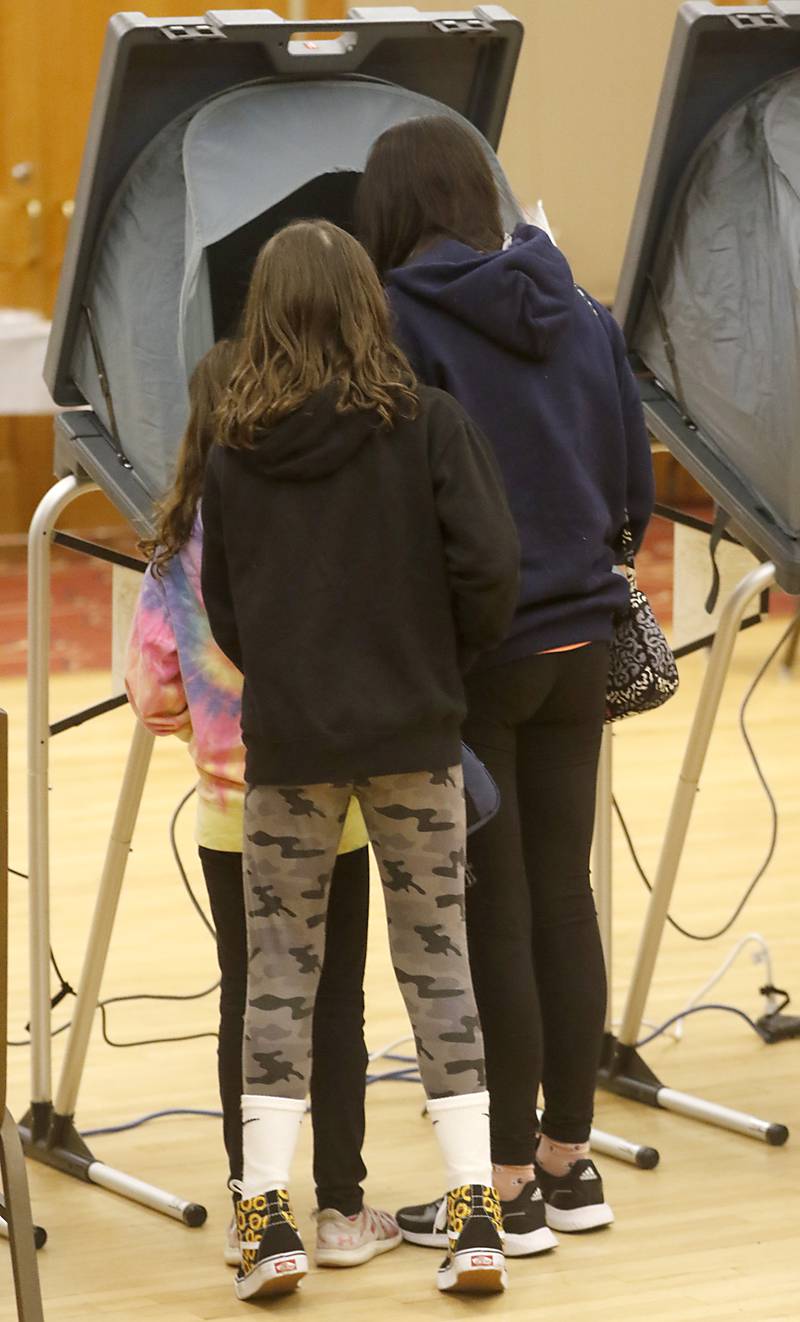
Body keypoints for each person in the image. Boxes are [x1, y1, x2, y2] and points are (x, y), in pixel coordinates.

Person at [200, 218, 521, 1301]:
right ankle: (476, 1213)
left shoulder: (235, 451)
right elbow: (490, 567)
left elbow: (226, 611)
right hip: (414, 733)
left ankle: (266, 1220)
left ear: (265, 316)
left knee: (278, 979)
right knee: (440, 969)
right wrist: (436, 666)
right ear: (367, 306)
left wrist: (295, 678)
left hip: (290, 745)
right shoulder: (428, 424)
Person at [357, 115, 655, 1253]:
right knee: (560, 894)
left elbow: (400, 501)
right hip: (580, 639)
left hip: (473, 653)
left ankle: (502, 1186)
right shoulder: (578, 309)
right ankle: (567, 1165)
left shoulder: (390, 317)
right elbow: (630, 482)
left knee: (493, 914)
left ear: (388, 207)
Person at [125, 339, 400, 1277]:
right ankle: (344, 1212)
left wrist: (204, 722)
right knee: (337, 1005)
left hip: (232, 815)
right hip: (339, 802)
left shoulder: (174, 543)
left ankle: (259, 1218)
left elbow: (151, 692)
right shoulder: (314, 519)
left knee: (249, 1003)